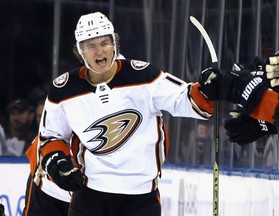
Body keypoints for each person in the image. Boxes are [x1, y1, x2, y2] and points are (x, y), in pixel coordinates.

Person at [36, 11, 221, 216]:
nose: (100, 51)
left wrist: (208, 89)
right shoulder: (63, 90)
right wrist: (57, 162)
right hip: (89, 197)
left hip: (140, 199)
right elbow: (50, 136)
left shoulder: (144, 77)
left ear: (115, 43)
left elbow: (190, 101)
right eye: (91, 46)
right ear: (80, 51)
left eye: (105, 43)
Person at [23, 38, 126, 216]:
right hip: (50, 186)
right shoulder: (72, 93)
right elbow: (48, 139)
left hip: (92, 193)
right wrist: (58, 163)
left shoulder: (135, 91)